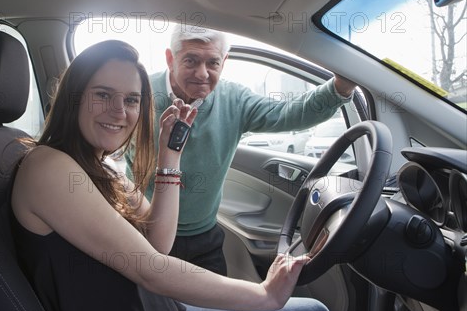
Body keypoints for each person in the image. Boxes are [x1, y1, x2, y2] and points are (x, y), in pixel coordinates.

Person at [11, 40, 339, 311]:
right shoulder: (48, 166)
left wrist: (170, 157)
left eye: (131, 100)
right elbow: (152, 268)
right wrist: (264, 295)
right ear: (74, 97)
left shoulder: (103, 168)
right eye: (103, 95)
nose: (119, 111)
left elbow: (158, 244)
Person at [126, 25, 356, 276]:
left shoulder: (235, 99)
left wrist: (340, 88)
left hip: (204, 237)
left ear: (224, 62)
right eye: (191, 60)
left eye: (212, 63)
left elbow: (291, 113)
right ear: (171, 59)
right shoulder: (139, 93)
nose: (202, 74)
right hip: (144, 231)